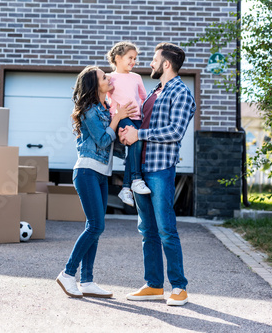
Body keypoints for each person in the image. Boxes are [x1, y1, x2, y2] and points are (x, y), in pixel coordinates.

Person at [119, 42, 195, 306]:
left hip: (160, 169)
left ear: (166, 64)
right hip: (140, 169)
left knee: (166, 229)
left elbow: (175, 132)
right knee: (147, 230)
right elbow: (139, 125)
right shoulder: (154, 92)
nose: (149, 63)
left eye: (153, 59)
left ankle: (179, 287)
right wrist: (127, 133)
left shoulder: (182, 93)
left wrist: (140, 134)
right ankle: (153, 284)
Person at [56, 65, 135, 298]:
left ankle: (87, 281)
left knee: (95, 227)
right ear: (94, 85)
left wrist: (124, 134)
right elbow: (101, 141)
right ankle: (68, 274)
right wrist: (117, 118)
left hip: (101, 173)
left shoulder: (105, 108)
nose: (109, 78)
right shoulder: (89, 110)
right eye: (103, 77)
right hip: (87, 172)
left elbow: (112, 144)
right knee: (95, 226)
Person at [106, 41, 151, 207]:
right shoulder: (110, 78)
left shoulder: (136, 77)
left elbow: (143, 98)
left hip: (137, 117)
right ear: (118, 58)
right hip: (121, 117)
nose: (133, 62)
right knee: (134, 144)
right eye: (130, 58)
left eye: (135, 59)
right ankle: (136, 179)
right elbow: (103, 98)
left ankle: (126, 188)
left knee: (135, 147)